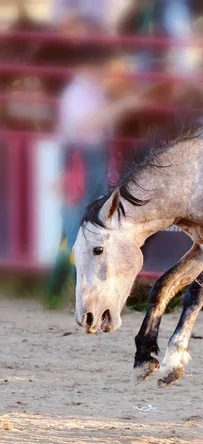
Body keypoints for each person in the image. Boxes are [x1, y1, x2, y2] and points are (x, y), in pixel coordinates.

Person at [46, 43, 143, 307]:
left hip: (87, 155)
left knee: (79, 223)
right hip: (81, 156)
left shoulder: (88, 91)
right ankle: (72, 290)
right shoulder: (78, 93)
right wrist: (120, 106)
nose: (103, 70)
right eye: (100, 65)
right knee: (79, 221)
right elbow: (84, 125)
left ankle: (60, 290)